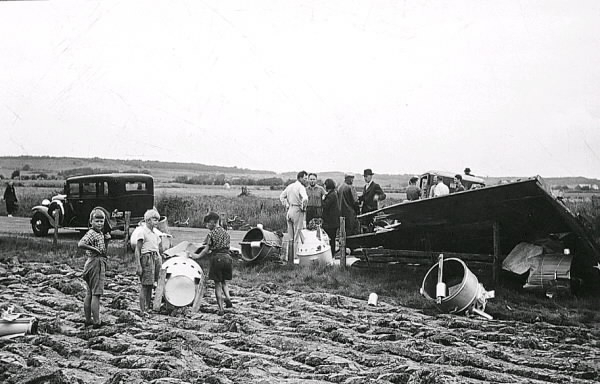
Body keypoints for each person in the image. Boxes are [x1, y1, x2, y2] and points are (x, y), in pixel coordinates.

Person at [194, 212, 233, 316]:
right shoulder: (226, 233)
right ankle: (228, 298)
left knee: (217, 285)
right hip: (228, 258)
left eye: (207, 224)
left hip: (217, 259)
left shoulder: (211, 234)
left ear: (213, 222)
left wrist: (197, 256)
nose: (207, 226)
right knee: (224, 282)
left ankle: (220, 308)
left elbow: (206, 249)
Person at [78, 209, 111, 328]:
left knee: (90, 293)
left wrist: (106, 241)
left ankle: (88, 320)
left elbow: (104, 251)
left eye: (101, 221)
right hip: (95, 263)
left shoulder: (100, 234)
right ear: (91, 222)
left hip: (92, 262)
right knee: (96, 294)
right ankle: (96, 321)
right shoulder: (92, 233)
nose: (100, 223)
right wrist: (94, 249)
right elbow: (81, 244)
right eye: (97, 221)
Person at [135, 209, 163, 315]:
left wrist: (160, 257)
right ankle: (142, 309)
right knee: (145, 285)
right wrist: (138, 265)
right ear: (147, 220)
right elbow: (137, 250)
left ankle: (148, 306)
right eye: (154, 219)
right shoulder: (142, 232)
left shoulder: (155, 234)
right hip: (147, 258)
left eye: (157, 220)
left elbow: (157, 248)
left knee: (151, 284)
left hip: (155, 257)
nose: (156, 222)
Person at [279, 171, 308, 259]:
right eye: (305, 178)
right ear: (300, 178)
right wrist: (303, 207)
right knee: (297, 234)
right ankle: (295, 256)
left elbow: (281, 196)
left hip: (290, 210)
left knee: (290, 235)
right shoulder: (301, 187)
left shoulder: (290, 186)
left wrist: (286, 205)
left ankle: (289, 255)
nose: (306, 180)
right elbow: (305, 198)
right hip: (297, 210)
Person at [321, 178, 340, 255]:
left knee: (330, 238)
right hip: (334, 221)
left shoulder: (331, 195)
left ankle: (331, 253)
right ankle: (332, 253)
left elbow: (325, 206)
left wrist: (322, 199)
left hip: (330, 222)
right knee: (332, 238)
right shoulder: (334, 194)